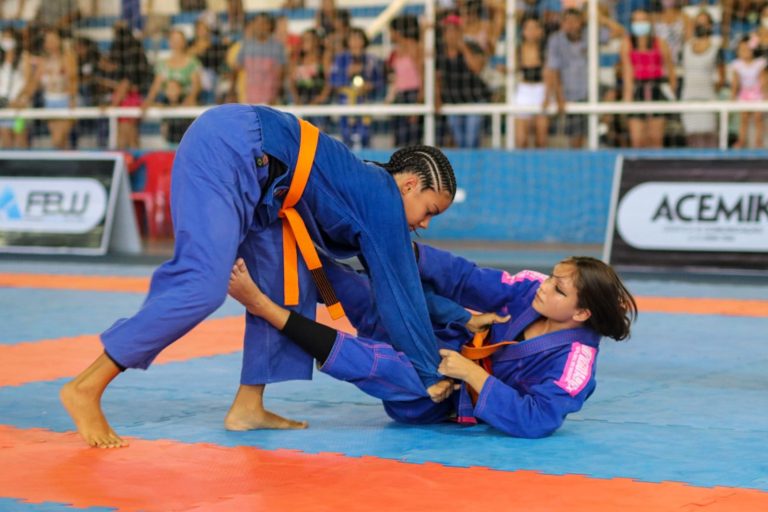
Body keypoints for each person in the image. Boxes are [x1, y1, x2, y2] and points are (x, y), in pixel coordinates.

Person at [60, 104, 457, 448]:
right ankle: (88, 385)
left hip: (267, 184)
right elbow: (399, 293)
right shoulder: (383, 199)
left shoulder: (370, 190)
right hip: (232, 149)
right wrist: (427, 371)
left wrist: (460, 318)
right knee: (203, 287)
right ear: (409, 184)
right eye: (429, 210)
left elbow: (395, 285)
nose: (424, 223)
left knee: (286, 281)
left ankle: (248, 405)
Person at [226, 244, 638, 438]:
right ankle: (287, 245)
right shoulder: (532, 290)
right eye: (552, 278)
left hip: (438, 396)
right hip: (441, 343)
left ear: (582, 314)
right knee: (365, 294)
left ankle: (264, 307)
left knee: (379, 362)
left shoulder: (575, 366)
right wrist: (396, 246)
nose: (546, 288)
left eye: (560, 291)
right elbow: (465, 278)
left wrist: (473, 374)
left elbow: (537, 419)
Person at [620, 8, 677, 148]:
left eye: (643, 20)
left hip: (657, 89)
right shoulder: (627, 43)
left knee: (655, 139)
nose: (640, 23)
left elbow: (671, 70)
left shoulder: (660, 43)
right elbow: (627, 72)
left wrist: (672, 93)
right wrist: (627, 100)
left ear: (650, 23)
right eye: (637, 20)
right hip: (637, 90)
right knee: (638, 140)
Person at [680, 9, 724, 148]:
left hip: (707, 97)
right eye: (698, 23)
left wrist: (710, 91)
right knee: (691, 136)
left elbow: (721, 79)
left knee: (709, 136)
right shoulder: (686, 47)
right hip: (688, 97)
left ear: (710, 26)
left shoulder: (716, 49)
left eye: (704, 23)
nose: (700, 26)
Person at [731, 36, 766, 148]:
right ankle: (741, 140)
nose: (744, 52)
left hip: (757, 94)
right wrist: (732, 96)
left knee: (758, 118)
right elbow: (735, 83)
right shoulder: (737, 65)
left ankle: (758, 141)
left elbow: (763, 81)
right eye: (741, 50)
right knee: (744, 118)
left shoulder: (759, 64)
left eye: (747, 50)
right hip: (744, 94)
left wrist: (766, 95)